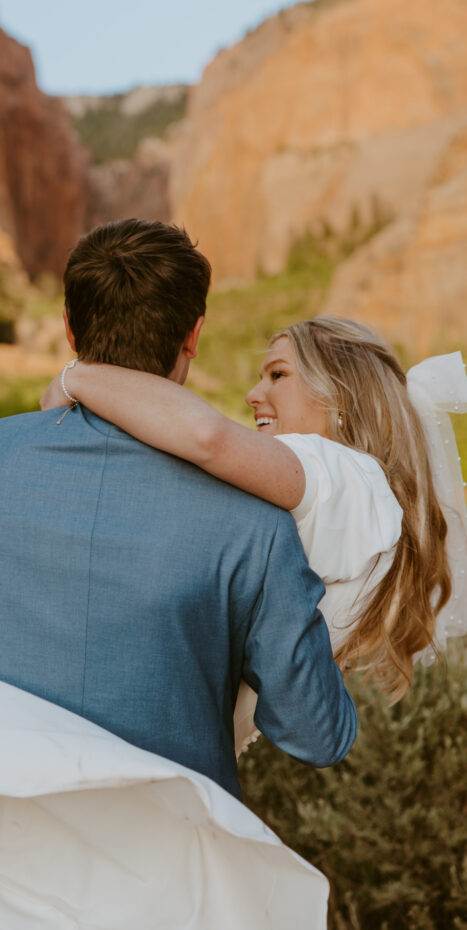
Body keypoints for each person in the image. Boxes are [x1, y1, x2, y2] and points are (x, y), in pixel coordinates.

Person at [0, 218, 358, 930]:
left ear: (68, 327)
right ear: (192, 337)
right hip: (166, 892)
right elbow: (312, 734)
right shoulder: (254, 520)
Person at [41, 314, 467, 751]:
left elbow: (207, 437)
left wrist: (79, 376)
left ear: (340, 392)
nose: (252, 395)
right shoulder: (361, 497)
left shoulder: (337, 473)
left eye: (277, 374)